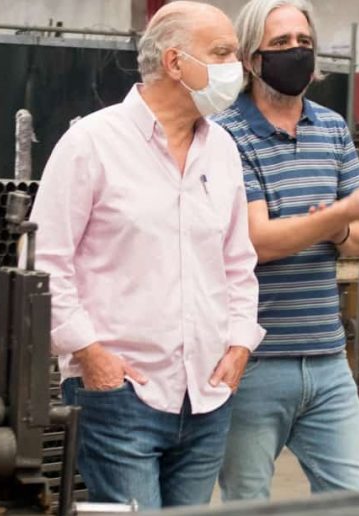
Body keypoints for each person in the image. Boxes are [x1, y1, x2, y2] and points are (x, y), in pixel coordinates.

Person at [29, 2, 265, 509]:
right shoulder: (91, 144)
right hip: (121, 396)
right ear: (175, 62)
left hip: (207, 396)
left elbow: (236, 262)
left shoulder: (222, 149)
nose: (237, 67)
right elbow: (46, 262)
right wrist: (89, 354)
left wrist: (240, 344)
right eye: (222, 52)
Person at [212, 0, 359, 500]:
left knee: (351, 497)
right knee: (248, 502)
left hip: (327, 358)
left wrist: (336, 227)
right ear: (250, 58)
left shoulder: (332, 127)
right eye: (280, 43)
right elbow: (257, 242)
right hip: (253, 360)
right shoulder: (226, 134)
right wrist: (340, 216)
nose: (295, 52)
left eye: (304, 42)